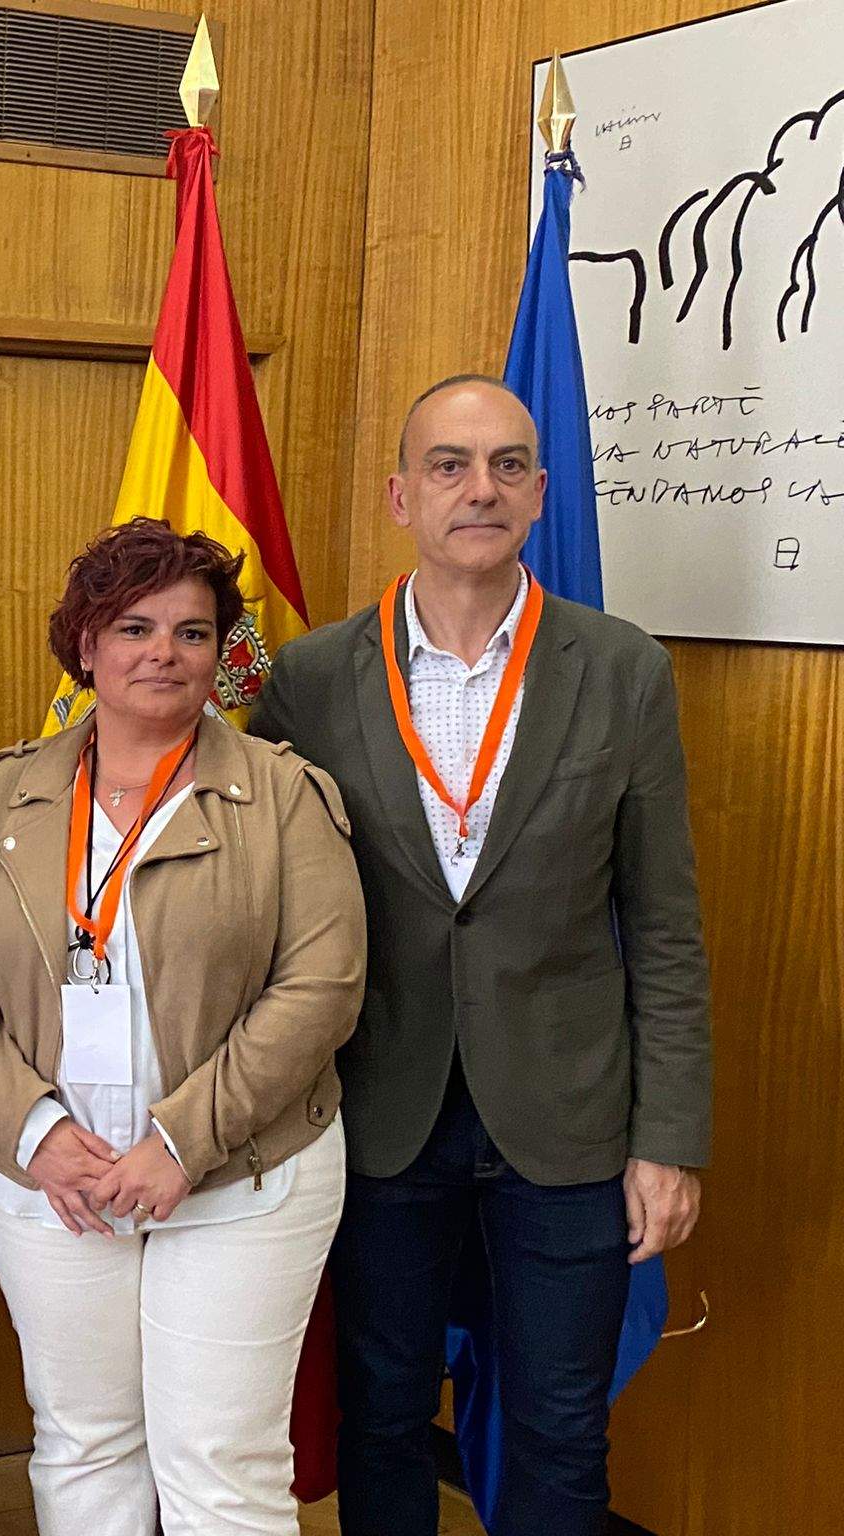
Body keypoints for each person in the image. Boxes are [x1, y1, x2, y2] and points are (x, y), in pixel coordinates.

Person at [250, 374, 712, 1536]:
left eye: (507, 464)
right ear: (401, 493)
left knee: (559, 1420)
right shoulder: (307, 680)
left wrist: (667, 1139)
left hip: (565, 1115)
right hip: (375, 1109)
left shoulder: (619, 669)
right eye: (449, 465)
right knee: (384, 1411)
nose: (479, 488)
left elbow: (661, 925)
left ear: (541, 493)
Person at [0, 516, 364, 1536]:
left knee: (219, 1464)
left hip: (240, 1176)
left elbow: (322, 985)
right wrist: (34, 1134)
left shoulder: (281, 794)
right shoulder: (12, 791)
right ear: (84, 646)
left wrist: (182, 1140)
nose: (161, 654)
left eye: (191, 631)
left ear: (221, 653)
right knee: (82, 1444)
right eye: (132, 628)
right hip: (49, 1179)